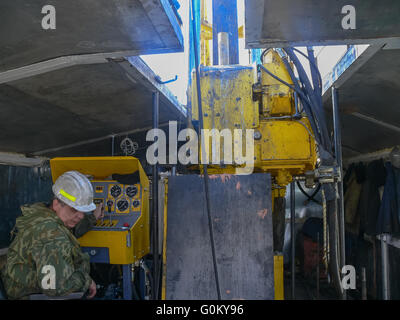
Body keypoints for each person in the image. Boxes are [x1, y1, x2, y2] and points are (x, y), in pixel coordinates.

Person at [1, 170, 104, 300]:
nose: (80, 216)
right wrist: (85, 280)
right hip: (33, 296)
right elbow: (54, 288)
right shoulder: (52, 236)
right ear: (56, 204)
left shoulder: (43, 215)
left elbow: (67, 231)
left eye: (84, 211)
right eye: (74, 209)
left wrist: (92, 218)